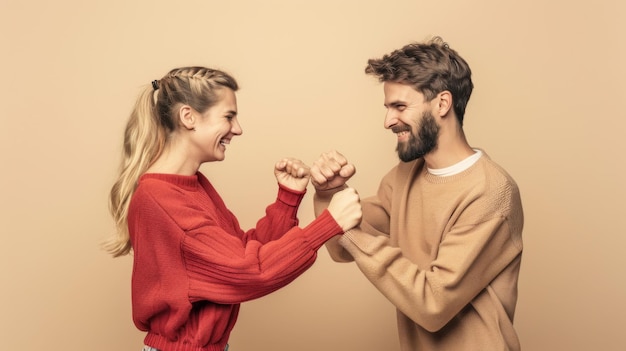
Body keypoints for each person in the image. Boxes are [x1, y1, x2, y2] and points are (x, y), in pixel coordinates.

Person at [104, 66, 362, 351]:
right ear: (188, 117)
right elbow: (251, 272)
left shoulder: (191, 185)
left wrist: (288, 197)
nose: (238, 129)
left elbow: (242, 252)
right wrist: (329, 224)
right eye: (229, 116)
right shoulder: (161, 198)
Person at [310, 37, 524, 351]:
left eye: (399, 106)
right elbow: (343, 247)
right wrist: (330, 193)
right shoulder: (404, 177)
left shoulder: (491, 193)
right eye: (387, 107)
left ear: (442, 104)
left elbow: (433, 304)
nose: (387, 122)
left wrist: (346, 227)